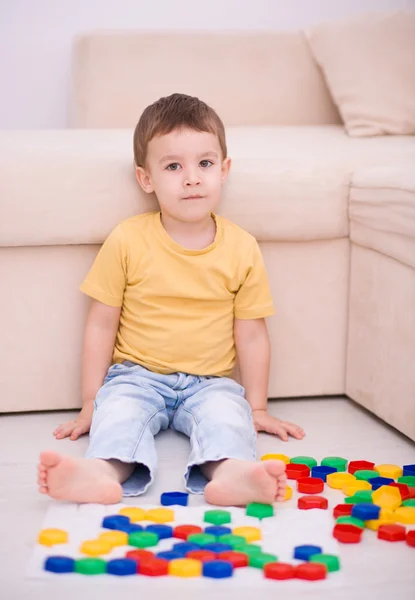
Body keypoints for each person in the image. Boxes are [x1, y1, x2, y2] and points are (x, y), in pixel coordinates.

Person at [37, 93, 305, 506]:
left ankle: (233, 473)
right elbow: (101, 322)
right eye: (174, 166)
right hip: (136, 375)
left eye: (205, 163)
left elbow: (251, 335)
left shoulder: (242, 247)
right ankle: (101, 472)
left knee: (227, 418)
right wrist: (91, 401)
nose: (192, 178)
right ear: (146, 179)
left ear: (224, 169)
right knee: (119, 414)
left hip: (212, 382)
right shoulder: (127, 239)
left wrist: (257, 407)